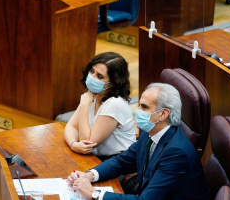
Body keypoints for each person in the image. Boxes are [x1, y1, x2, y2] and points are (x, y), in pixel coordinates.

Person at [67, 83, 209, 200]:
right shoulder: (149, 133)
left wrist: (94, 194)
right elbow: (122, 161)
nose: (138, 111)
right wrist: (90, 175)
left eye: (144, 107)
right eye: (139, 105)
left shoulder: (176, 153)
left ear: (163, 114)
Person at [64, 52, 135, 160]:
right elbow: (71, 126)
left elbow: (87, 143)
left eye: (100, 76)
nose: (92, 77)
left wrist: (84, 105)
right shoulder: (94, 94)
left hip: (118, 162)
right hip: (94, 157)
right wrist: (73, 144)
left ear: (112, 83)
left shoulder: (114, 104)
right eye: (92, 71)